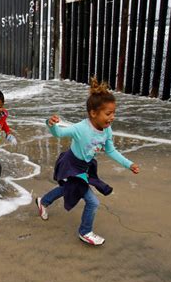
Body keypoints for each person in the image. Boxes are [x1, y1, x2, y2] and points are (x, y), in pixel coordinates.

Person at [35, 78, 140, 246]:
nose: (112, 117)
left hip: (85, 167)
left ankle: (43, 201)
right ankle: (85, 232)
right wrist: (51, 124)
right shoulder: (81, 128)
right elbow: (59, 134)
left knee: (66, 188)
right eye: (108, 113)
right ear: (93, 113)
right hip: (71, 166)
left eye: (113, 113)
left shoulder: (106, 130)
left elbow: (111, 150)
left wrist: (129, 164)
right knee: (93, 202)